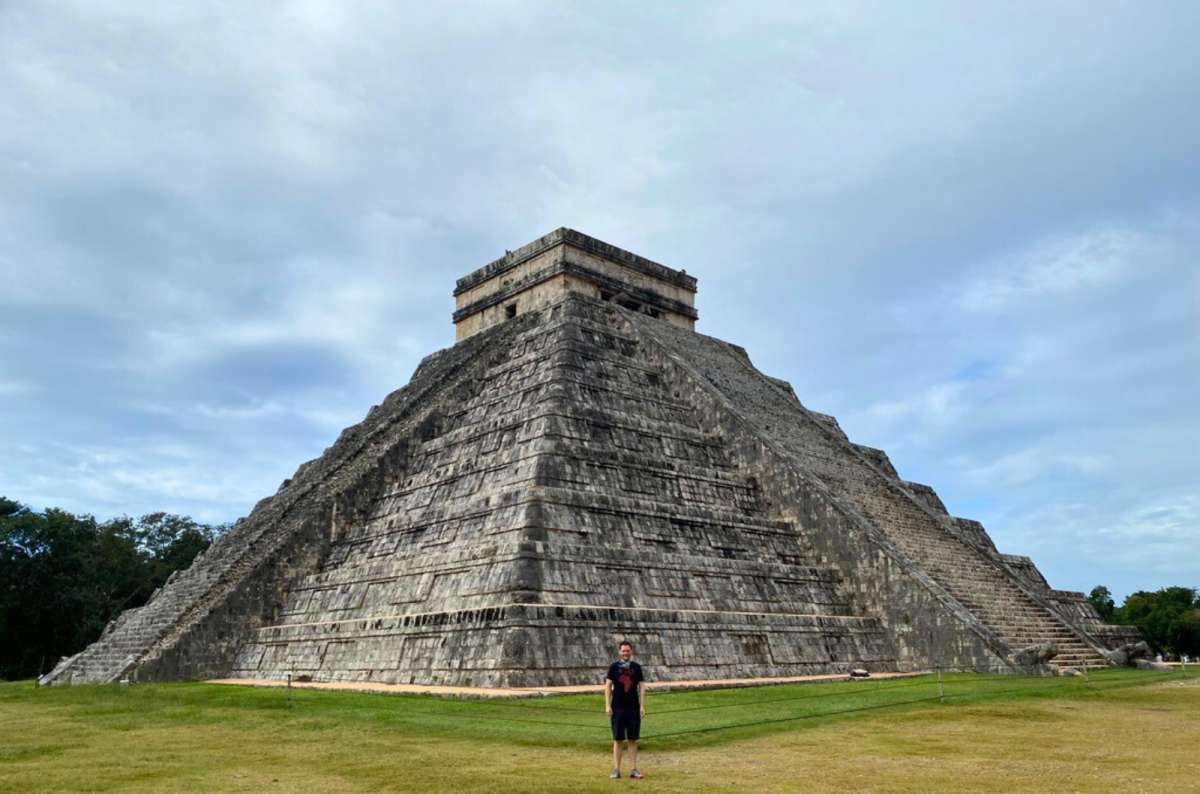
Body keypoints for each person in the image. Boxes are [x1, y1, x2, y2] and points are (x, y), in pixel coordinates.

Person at [605, 640, 646, 780]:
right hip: (617, 708)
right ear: (619, 651)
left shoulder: (637, 667)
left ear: (631, 651)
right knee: (618, 739)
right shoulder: (613, 667)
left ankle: (633, 769)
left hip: (633, 708)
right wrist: (607, 705)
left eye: (628, 650)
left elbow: (642, 687)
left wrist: (642, 706)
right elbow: (607, 687)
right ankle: (616, 769)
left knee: (633, 739)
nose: (625, 653)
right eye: (623, 651)